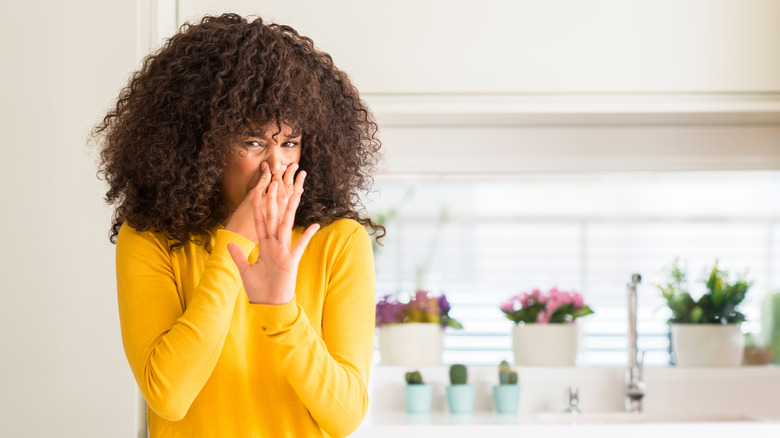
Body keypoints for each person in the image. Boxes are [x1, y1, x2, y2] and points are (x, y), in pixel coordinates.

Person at [93, 13, 383, 438]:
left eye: (289, 143)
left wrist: (281, 309)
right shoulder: (151, 239)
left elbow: (345, 417)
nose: (275, 163)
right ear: (201, 143)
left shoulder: (338, 242)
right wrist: (233, 245)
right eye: (253, 142)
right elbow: (169, 395)